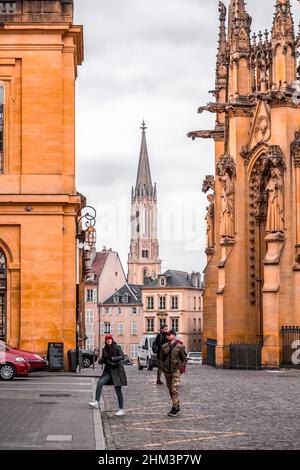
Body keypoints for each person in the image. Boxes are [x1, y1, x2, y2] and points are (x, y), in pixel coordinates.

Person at [89, 334, 127, 416]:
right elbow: (103, 358)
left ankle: (121, 409)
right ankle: (96, 402)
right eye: (107, 339)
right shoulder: (105, 349)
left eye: (110, 339)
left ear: (112, 340)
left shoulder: (117, 347)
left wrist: (113, 358)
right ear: (106, 341)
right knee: (100, 383)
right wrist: (100, 360)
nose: (109, 340)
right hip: (108, 371)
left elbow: (122, 357)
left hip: (117, 372)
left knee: (118, 391)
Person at [159, 329, 187, 417]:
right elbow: (160, 360)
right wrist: (163, 369)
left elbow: (184, 359)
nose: (167, 336)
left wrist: (180, 369)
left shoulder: (180, 347)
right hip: (167, 372)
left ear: (174, 336)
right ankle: (176, 406)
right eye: (167, 335)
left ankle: (175, 408)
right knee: (170, 390)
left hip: (175, 371)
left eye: (169, 335)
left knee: (174, 390)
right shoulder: (164, 347)